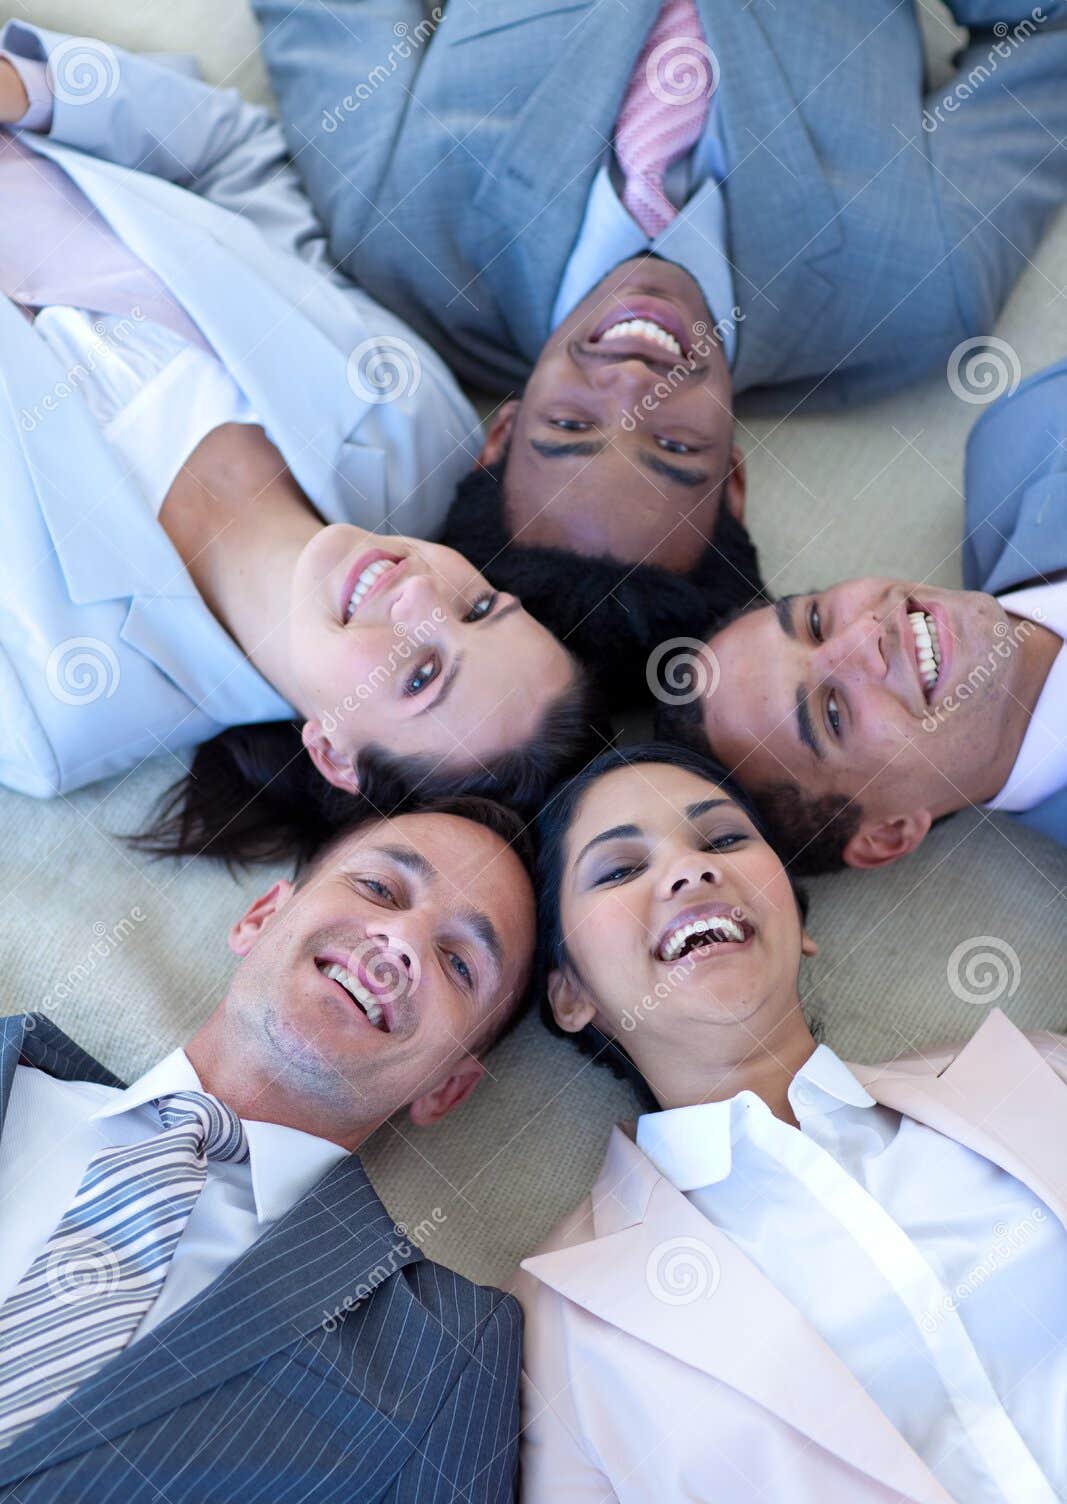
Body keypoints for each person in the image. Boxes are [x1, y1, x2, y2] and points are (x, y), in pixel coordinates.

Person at [252, 0, 1067, 683]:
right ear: (732, 477)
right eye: (673, 444)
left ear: (499, 432)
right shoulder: (918, 292)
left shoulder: (400, 235)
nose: (630, 381)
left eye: (569, 428)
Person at [515, 743, 1067, 1504]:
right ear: (569, 995)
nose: (689, 871)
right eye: (620, 868)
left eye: (724, 841)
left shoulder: (1035, 1075)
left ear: (799, 924)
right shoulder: (560, 1320)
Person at [0, 22, 591, 813]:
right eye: (479, 607)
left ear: (333, 752)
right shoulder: (410, 421)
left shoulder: (55, 713)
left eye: (419, 676)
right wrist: (29, 88)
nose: (419, 596)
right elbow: (233, 158)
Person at [0, 791, 536, 1504]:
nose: (398, 940)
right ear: (258, 918)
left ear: (447, 1089)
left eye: (460, 962)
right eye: (380, 890)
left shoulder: (443, 1356)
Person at [656, 358, 1067, 869]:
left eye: (814, 622)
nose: (864, 636)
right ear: (888, 833)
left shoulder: (1026, 434)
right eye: (830, 714)